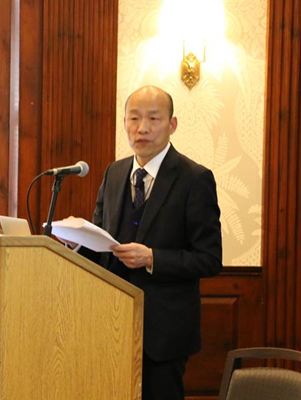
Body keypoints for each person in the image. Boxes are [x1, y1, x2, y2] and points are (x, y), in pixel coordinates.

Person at [85, 85, 222, 400]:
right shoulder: (115, 173)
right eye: (134, 118)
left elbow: (209, 259)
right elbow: (101, 240)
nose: (142, 128)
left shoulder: (194, 178)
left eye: (153, 119)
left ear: (172, 125)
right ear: (124, 123)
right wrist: (75, 244)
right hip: (111, 325)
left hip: (164, 335)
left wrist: (152, 258)